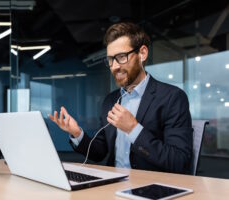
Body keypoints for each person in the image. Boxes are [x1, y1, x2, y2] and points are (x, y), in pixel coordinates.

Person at [49, 22, 193, 174]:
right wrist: (77, 133)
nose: (115, 66)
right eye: (110, 59)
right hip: (112, 184)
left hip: (149, 188)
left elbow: (179, 161)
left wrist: (133, 129)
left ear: (142, 53)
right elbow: (99, 152)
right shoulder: (110, 101)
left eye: (121, 57)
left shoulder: (172, 98)